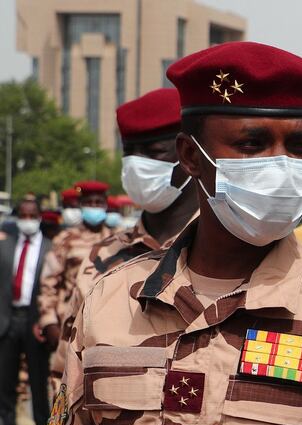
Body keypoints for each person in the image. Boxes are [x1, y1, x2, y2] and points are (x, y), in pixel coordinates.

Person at [46, 41, 302, 425]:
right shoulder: (110, 301)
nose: (281, 165)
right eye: (252, 144)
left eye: (300, 147)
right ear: (190, 156)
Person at [49, 87, 200, 388]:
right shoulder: (102, 257)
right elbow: (66, 370)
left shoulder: (222, 250)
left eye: (153, 153)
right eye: (130, 152)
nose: (136, 165)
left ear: (189, 154)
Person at [36, 180, 112, 385]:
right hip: (68, 324)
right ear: (81, 205)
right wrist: (49, 322)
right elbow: (48, 283)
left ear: (105, 205)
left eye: (98, 203)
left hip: (107, 327)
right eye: (89, 203)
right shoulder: (65, 239)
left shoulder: (118, 240)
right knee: (64, 385)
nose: (94, 207)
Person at [0, 199, 52, 425]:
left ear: (40, 217)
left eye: (32, 215)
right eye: (23, 215)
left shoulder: (51, 248)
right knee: (5, 385)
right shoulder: (5, 246)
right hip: (7, 322)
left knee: (38, 385)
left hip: (36, 325)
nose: (28, 219)